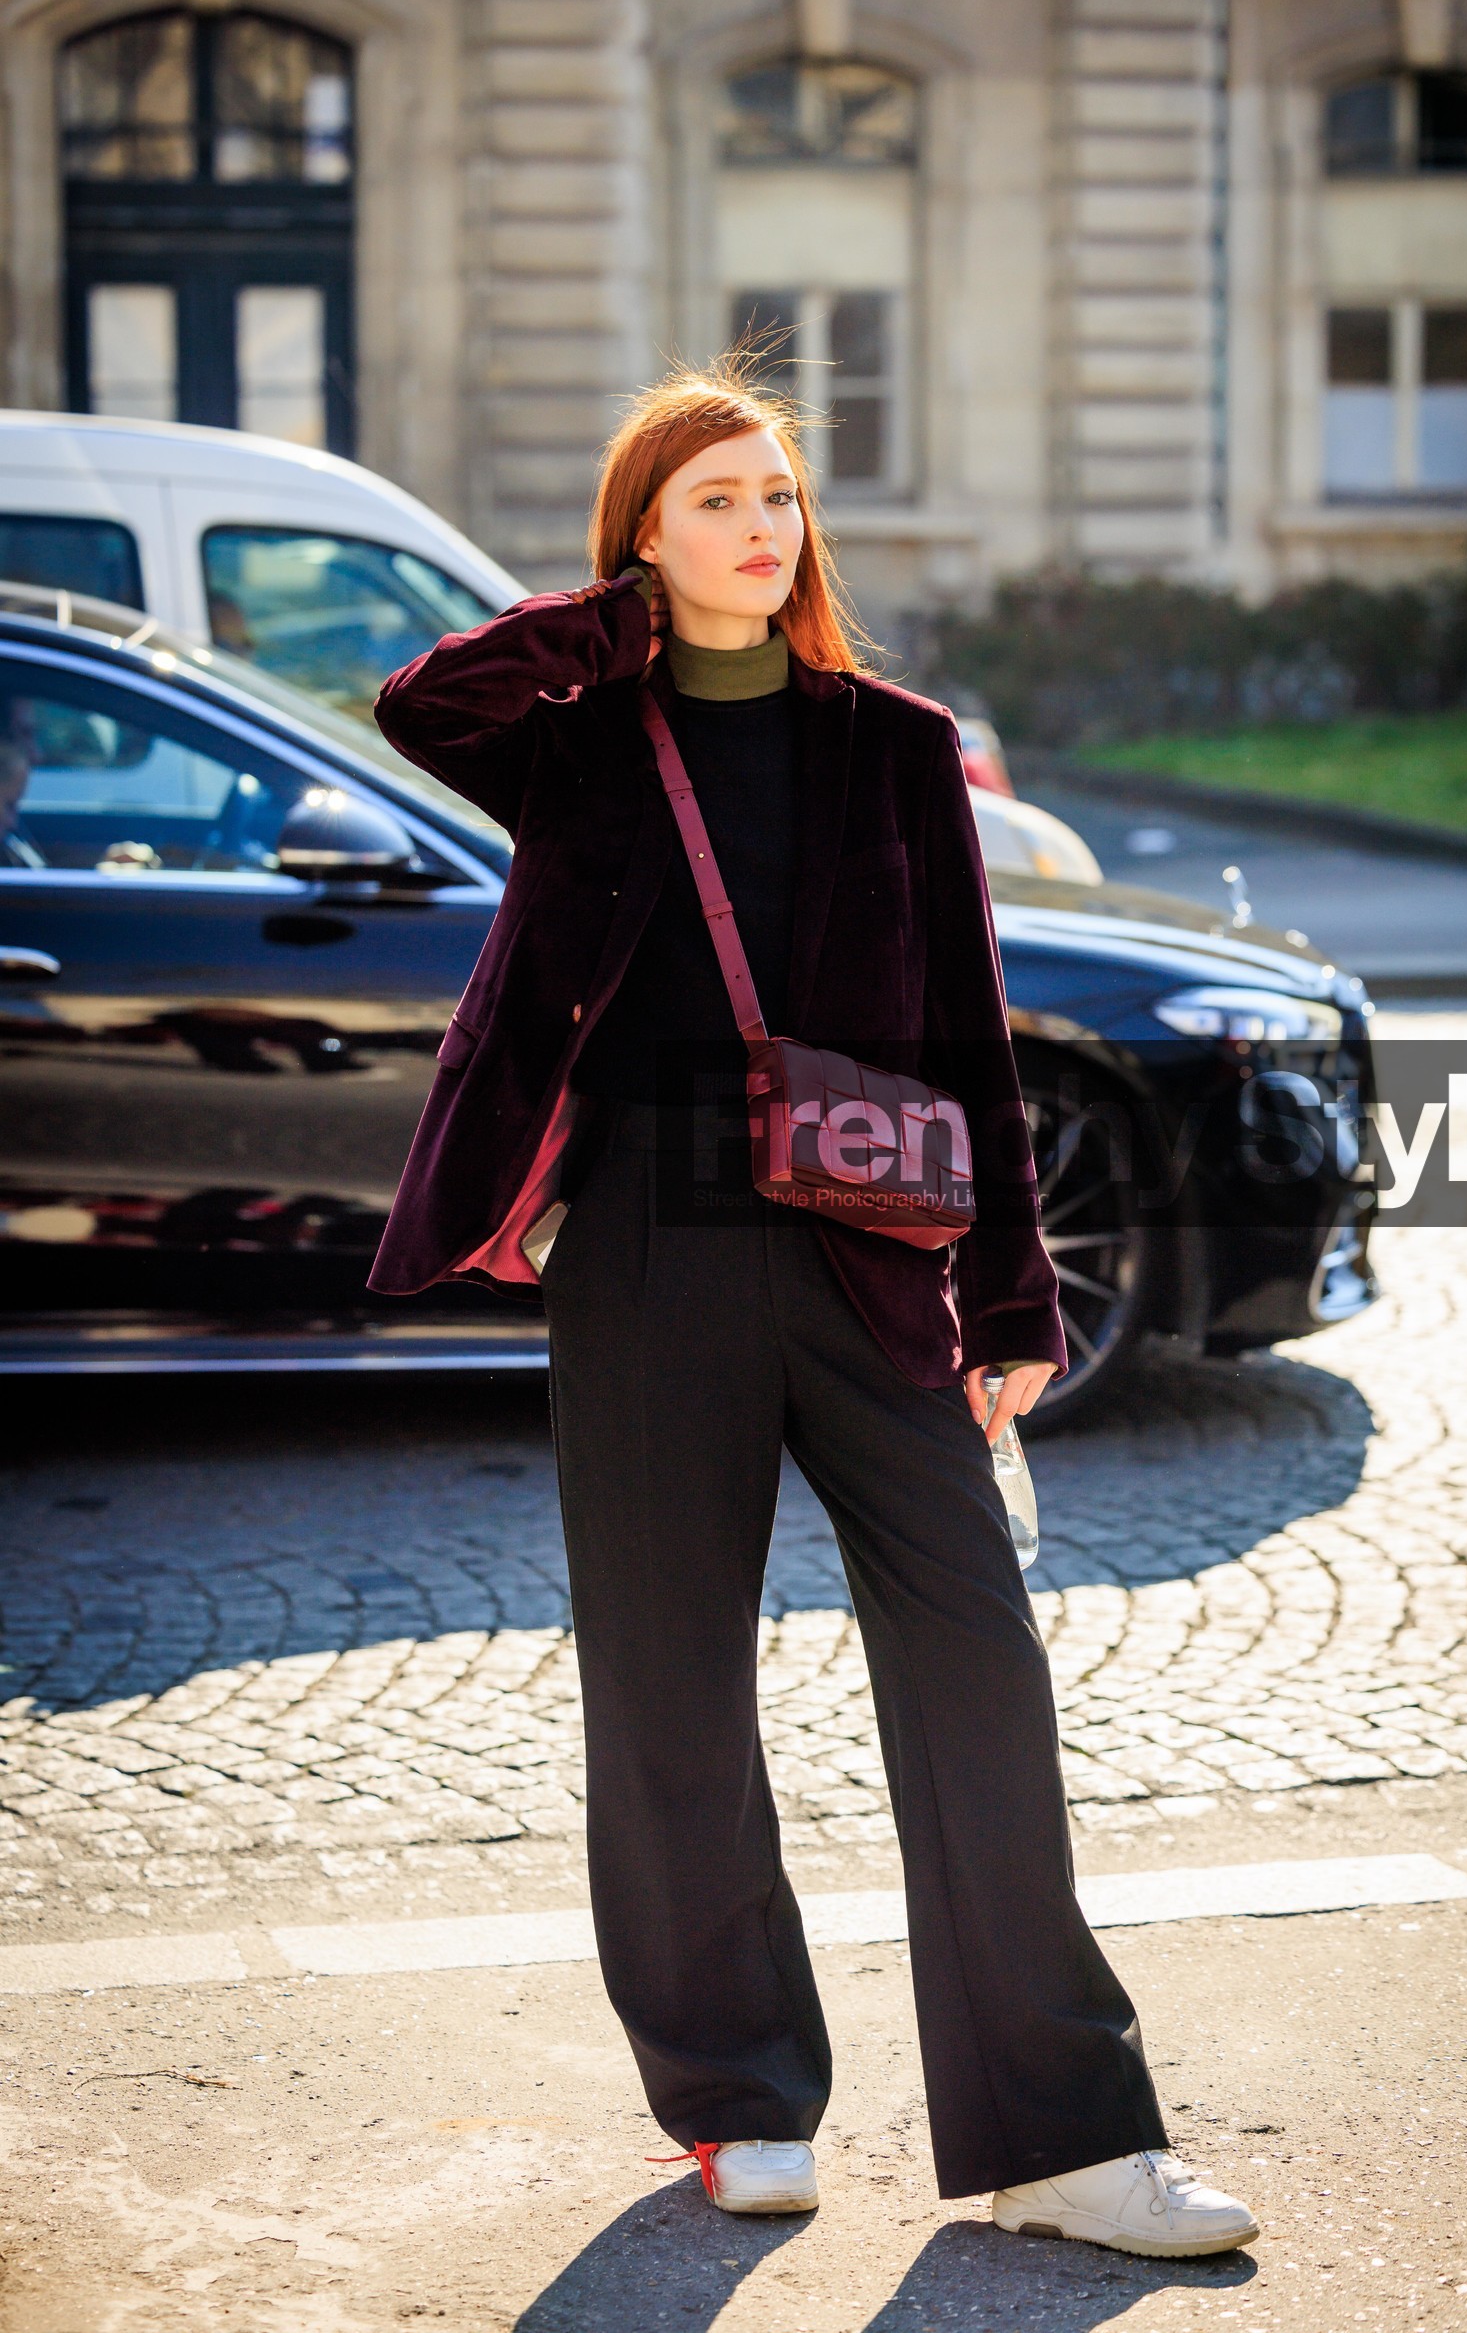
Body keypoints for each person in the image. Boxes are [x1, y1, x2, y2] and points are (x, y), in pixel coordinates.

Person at [369, 355, 1258, 2257]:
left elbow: (967, 1038)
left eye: (778, 494)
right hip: (643, 1251)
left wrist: (1011, 1294)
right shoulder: (582, 743)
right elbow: (421, 703)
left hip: (868, 1248)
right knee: (669, 1682)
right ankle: (739, 2098)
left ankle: (1061, 2137)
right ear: (642, 536)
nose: (763, 527)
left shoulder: (898, 748)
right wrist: (615, 626)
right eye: (716, 499)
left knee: (977, 1661)